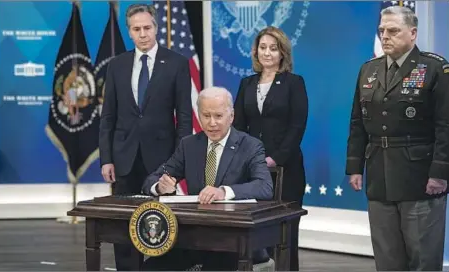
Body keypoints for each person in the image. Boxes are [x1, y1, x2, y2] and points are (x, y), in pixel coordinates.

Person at [346, 6, 449, 271]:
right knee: (387, 259)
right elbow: (358, 122)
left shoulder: (435, 68)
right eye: (381, 31)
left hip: (419, 177)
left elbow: (446, 126)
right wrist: (355, 166)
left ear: (413, 33)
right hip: (379, 176)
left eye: (392, 31)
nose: (385, 37)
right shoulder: (368, 70)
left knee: (423, 259)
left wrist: (440, 172)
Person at [99, 4, 192, 271]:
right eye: (136, 29)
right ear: (129, 32)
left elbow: (183, 118)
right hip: (124, 158)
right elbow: (108, 117)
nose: (143, 34)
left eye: (147, 28)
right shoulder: (116, 65)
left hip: (162, 160)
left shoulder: (177, 63)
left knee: (161, 223)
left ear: (156, 27)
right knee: (124, 223)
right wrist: (107, 158)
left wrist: (178, 163)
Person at [141, 86, 273, 270]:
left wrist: (223, 191)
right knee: (149, 268)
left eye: (218, 116)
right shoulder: (189, 145)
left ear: (231, 116)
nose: (212, 123)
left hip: (235, 242)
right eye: (206, 115)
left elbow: (264, 186)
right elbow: (152, 179)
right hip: (195, 239)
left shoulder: (250, 146)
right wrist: (159, 186)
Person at [233, 26, 308, 271]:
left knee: (286, 234)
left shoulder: (294, 83)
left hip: (286, 170)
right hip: (251, 172)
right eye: (263, 48)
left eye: (273, 48)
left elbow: (297, 126)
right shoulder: (247, 83)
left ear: (282, 52)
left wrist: (276, 159)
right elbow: (239, 126)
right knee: (254, 233)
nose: (267, 53)